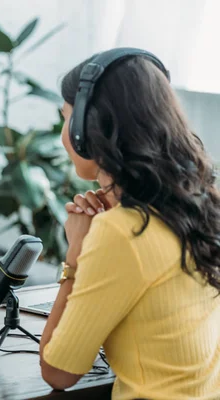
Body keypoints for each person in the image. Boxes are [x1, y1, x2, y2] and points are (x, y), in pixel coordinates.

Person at [39, 48, 220, 399]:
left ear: (84, 130)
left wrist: (76, 252)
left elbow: (57, 372)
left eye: (66, 117)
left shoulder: (121, 232)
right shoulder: (204, 202)